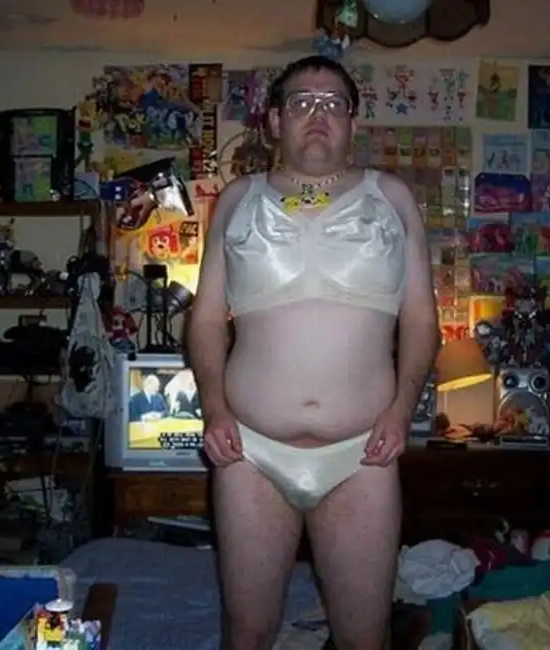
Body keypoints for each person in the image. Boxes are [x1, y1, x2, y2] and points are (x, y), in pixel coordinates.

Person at [188, 55, 439, 650]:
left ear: (353, 123)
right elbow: (205, 319)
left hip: (362, 457)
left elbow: (421, 319)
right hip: (251, 452)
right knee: (247, 635)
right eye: (302, 102)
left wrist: (402, 412)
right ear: (276, 120)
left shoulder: (392, 197)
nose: (318, 115)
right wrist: (214, 408)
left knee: (364, 638)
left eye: (333, 104)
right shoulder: (236, 199)